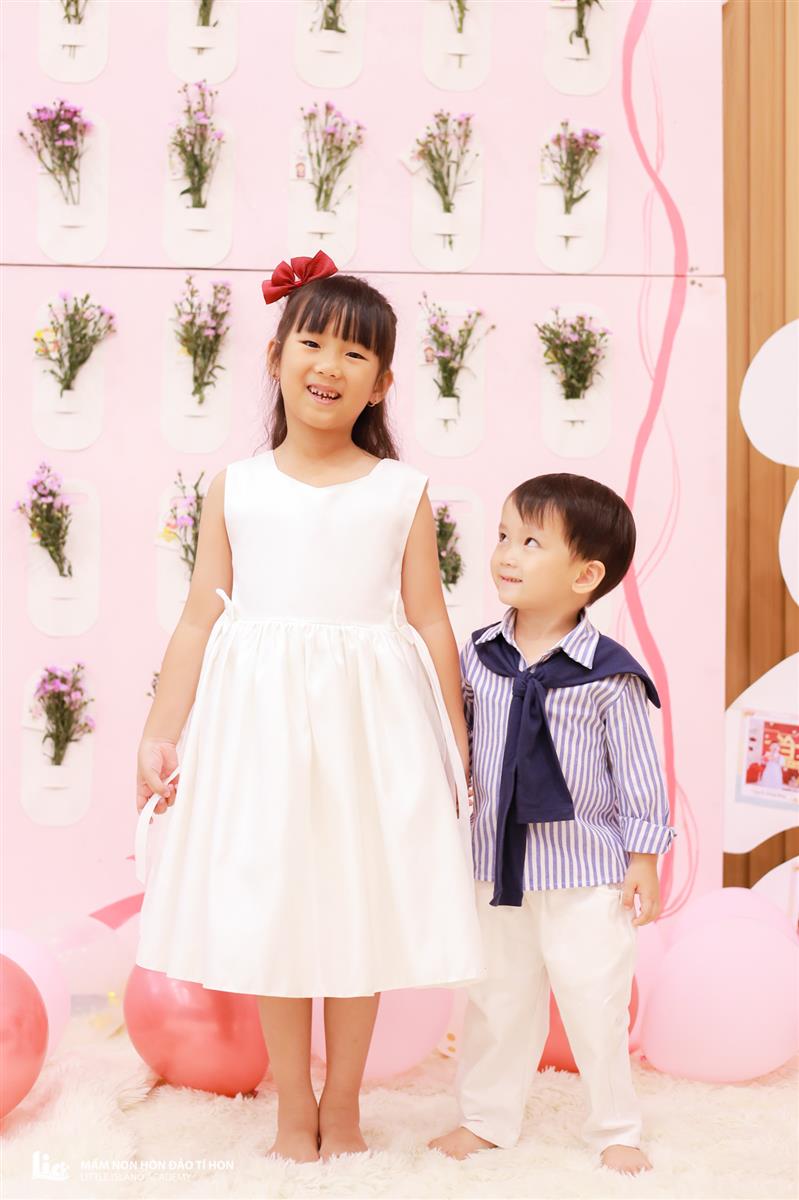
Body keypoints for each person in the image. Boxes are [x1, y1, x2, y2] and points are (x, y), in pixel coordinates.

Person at [134, 252, 483, 1163]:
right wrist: (160, 731)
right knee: (279, 908)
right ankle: (294, 1106)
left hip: (370, 725)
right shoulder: (235, 485)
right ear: (276, 357)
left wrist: (453, 742)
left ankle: (345, 1103)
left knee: (356, 906)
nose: (330, 365)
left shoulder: (400, 491)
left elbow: (430, 621)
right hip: (260, 727)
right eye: (313, 343)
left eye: (355, 354)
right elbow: (200, 616)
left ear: (381, 384)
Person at [430, 473, 675, 1175]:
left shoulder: (609, 674)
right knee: (495, 1000)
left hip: (584, 871)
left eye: (532, 542)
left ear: (585, 575)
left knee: (596, 1002)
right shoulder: (477, 657)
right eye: (504, 535)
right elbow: (455, 746)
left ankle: (615, 1126)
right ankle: (486, 1117)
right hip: (495, 866)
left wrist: (643, 859)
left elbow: (636, 771)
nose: (507, 553)